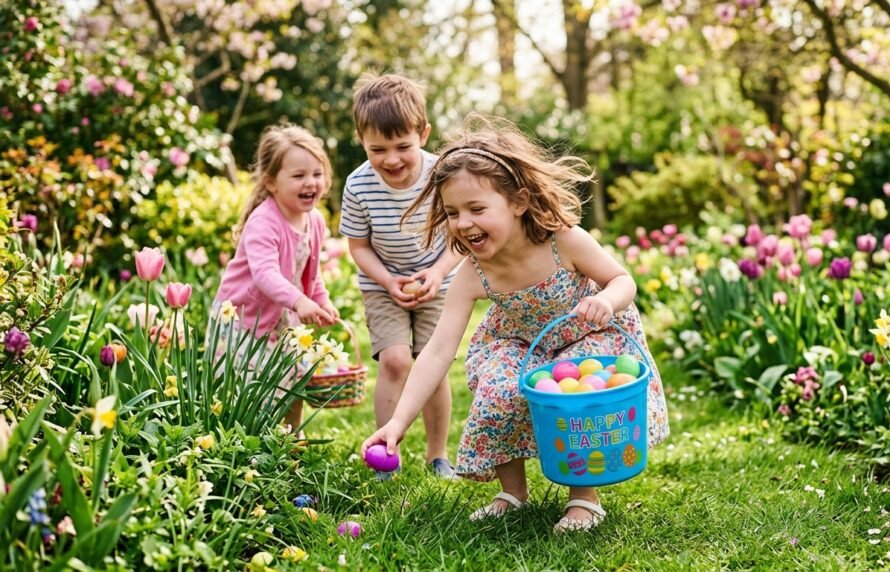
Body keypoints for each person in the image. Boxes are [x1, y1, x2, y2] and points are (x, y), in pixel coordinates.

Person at [361, 114, 670, 533]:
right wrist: (397, 423)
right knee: (498, 388)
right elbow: (437, 349)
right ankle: (513, 493)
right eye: (452, 212)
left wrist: (605, 299)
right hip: (523, 342)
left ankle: (584, 500)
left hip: (591, 332)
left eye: (476, 209)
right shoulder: (473, 272)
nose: (464, 222)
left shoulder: (564, 240)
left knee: (575, 398)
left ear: (518, 202)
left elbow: (623, 279)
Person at [340, 73, 462, 479]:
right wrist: (388, 281)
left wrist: (438, 271)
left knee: (432, 364)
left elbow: (459, 237)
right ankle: (386, 455)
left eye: (402, 147)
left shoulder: (442, 176)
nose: (391, 159)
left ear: (423, 134)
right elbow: (358, 246)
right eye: (378, 149)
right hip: (382, 284)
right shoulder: (358, 185)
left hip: (437, 281)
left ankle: (437, 454)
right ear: (361, 140)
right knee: (394, 361)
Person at [212, 124, 339, 433]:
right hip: (243, 323)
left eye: (317, 174)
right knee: (252, 391)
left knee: (294, 382)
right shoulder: (265, 222)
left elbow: (310, 273)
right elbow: (265, 273)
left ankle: (287, 445)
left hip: (284, 320)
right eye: (298, 176)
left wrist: (320, 300)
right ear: (271, 182)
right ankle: (249, 451)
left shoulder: (316, 221)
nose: (311, 183)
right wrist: (300, 301)